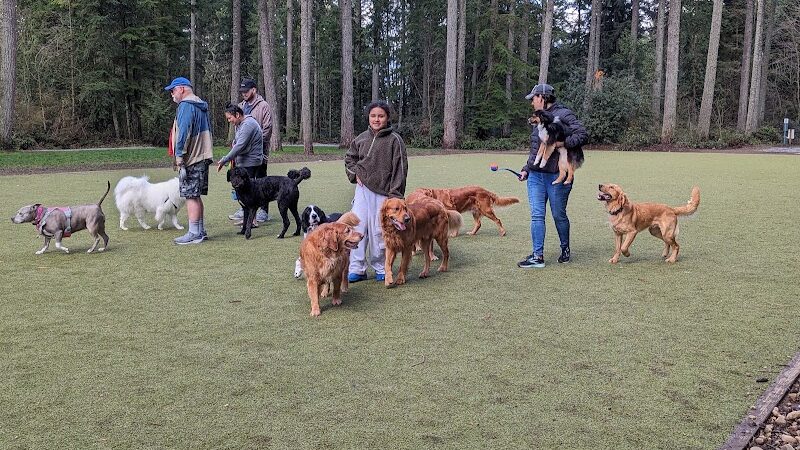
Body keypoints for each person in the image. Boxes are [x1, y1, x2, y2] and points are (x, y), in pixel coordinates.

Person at [517, 83, 588, 268]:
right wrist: (526, 168)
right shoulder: (538, 119)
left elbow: (582, 134)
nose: (532, 102)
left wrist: (561, 143)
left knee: (558, 215)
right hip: (536, 176)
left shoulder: (564, 114)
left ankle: (565, 248)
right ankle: (537, 256)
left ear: (543, 97)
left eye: (533, 98)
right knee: (537, 215)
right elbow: (537, 147)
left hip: (557, 175)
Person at [344, 101, 408, 282]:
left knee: (379, 230)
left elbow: (400, 169)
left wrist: (395, 195)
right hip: (362, 190)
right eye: (373, 116)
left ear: (387, 118)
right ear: (368, 117)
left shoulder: (395, 140)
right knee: (358, 225)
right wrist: (354, 173)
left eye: (381, 116)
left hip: (384, 193)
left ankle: (381, 267)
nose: (376, 119)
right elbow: (349, 158)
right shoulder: (361, 138)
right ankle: (357, 268)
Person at [164, 77, 214, 245]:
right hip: (202, 155)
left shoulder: (186, 106)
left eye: (173, 90)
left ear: (182, 89)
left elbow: (183, 133)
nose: (171, 94)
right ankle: (199, 231)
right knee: (196, 195)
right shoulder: (200, 105)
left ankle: (193, 233)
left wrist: (179, 158)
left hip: (192, 157)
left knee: (190, 196)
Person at [228, 78, 273, 224]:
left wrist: (255, 142)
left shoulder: (263, 106)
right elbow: (238, 128)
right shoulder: (240, 106)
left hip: (258, 153)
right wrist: (237, 142)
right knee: (245, 182)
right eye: (242, 92)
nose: (244, 94)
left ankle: (263, 211)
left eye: (246, 91)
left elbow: (267, 128)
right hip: (243, 155)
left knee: (261, 181)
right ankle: (245, 209)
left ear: (254, 90)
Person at [216, 104, 264, 227]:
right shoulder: (240, 124)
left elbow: (240, 146)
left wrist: (225, 159)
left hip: (251, 162)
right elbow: (236, 142)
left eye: (229, 118)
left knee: (249, 192)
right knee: (244, 192)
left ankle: (252, 221)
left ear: (237, 115)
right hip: (243, 161)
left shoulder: (248, 124)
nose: (229, 121)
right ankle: (248, 218)